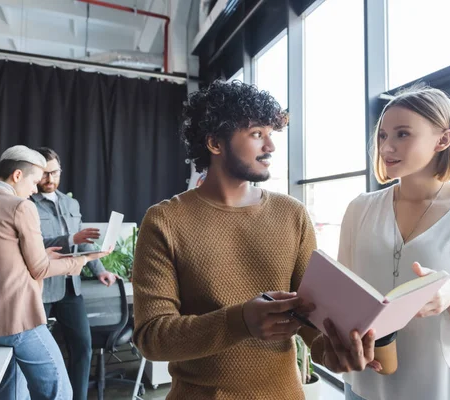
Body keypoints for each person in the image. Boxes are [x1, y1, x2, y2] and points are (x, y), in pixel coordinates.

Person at [320, 86, 450, 400]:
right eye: (382, 135)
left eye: (402, 134)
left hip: (445, 391)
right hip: (366, 388)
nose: (387, 147)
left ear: (443, 140)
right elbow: (344, 300)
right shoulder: (360, 209)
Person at [132, 80, 322, 399]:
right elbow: (152, 337)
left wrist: (334, 349)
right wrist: (239, 321)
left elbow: (311, 315)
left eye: (271, 134)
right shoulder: (164, 221)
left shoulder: (292, 214)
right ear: (215, 143)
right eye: (256, 134)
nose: (271, 147)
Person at [0, 145, 110, 400]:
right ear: (17, 175)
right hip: (19, 319)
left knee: (12, 393)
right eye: (34, 180)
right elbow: (39, 269)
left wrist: (48, 255)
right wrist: (82, 260)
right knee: (59, 392)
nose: (34, 188)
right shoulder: (21, 207)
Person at [31, 146, 116, 400]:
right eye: (44, 174)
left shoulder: (71, 203)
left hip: (71, 288)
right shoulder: (26, 203)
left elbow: (83, 239)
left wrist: (99, 270)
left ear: (60, 171)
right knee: (36, 354)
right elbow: (33, 244)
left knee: (82, 346)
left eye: (54, 173)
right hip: (42, 288)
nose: (50, 179)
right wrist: (71, 237)